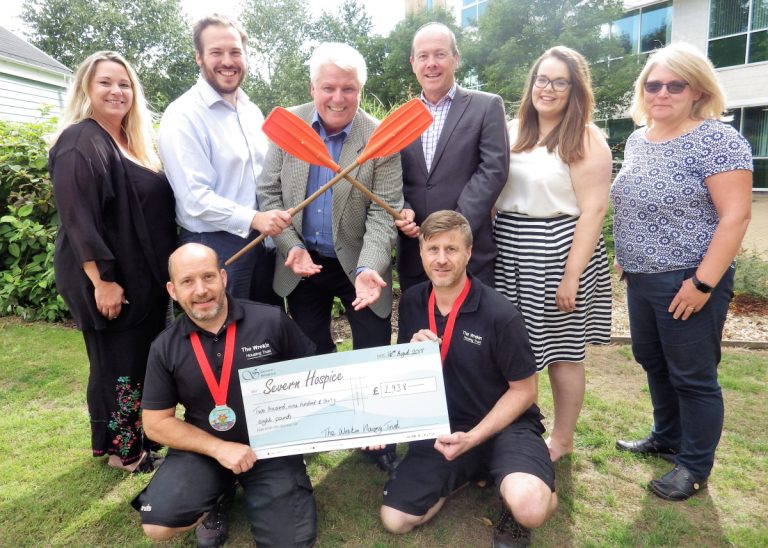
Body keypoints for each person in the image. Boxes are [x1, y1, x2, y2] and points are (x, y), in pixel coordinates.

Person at [612, 43, 752, 501]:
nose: (663, 93)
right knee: (652, 360)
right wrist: (626, 255)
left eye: (676, 85)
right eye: (654, 85)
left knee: (693, 375)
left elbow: (735, 217)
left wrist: (703, 283)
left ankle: (693, 466)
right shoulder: (638, 138)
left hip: (689, 279)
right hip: (642, 277)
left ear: (698, 91)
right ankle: (666, 436)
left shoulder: (718, 140)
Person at [381, 210, 557, 547]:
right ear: (420, 253)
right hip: (445, 427)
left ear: (469, 253)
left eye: (452, 249)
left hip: (506, 424)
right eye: (433, 249)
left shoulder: (500, 314)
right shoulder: (414, 300)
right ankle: (469, 470)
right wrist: (412, 354)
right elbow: (403, 375)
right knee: (395, 519)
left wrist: (474, 436)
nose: (442, 259)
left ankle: (521, 483)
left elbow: (525, 390)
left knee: (530, 508)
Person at [131, 243, 317, 547]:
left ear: (224, 278)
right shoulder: (164, 347)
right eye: (187, 281)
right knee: (156, 524)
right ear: (172, 290)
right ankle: (218, 492)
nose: (201, 290)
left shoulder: (270, 321)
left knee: (289, 543)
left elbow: (315, 376)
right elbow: (155, 424)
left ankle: (274, 481)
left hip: (269, 447)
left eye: (208, 277)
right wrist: (219, 449)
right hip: (205, 450)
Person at [50, 51, 176, 473]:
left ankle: (117, 440)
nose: (116, 91)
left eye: (124, 84)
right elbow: (77, 217)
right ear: (86, 88)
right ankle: (127, 451)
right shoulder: (79, 141)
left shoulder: (125, 140)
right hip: (109, 279)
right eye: (105, 82)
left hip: (142, 278)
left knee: (127, 361)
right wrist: (101, 280)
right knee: (120, 365)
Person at [493, 46, 613, 462]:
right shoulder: (511, 129)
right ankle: (512, 434)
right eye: (542, 79)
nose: (548, 88)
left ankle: (561, 439)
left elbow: (594, 210)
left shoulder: (586, 138)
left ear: (575, 88)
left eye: (560, 81)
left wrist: (571, 276)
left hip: (559, 250)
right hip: (509, 248)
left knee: (562, 352)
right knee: (510, 351)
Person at [158, 14, 291, 302]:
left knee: (265, 334)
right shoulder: (183, 116)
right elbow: (195, 199)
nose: (227, 61)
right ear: (199, 57)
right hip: (215, 246)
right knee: (226, 338)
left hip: (262, 243)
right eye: (216, 52)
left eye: (235, 52)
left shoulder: (251, 110)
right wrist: (255, 218)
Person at [396, 22, 509, 291]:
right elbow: (392, 176)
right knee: (419, 332)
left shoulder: (486, 106)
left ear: (455, 58)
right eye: (423, 56)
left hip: (469, 253)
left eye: (440, 54)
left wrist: (454, 229)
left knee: (471, 332)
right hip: (416, 253)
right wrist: (402, 207)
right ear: (413, 63)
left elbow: (493, 170)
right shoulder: (399, 119)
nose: (431, 63)